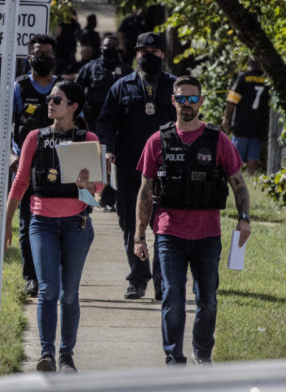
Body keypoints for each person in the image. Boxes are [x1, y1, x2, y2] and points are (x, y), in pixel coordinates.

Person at [134, 75, 251, 367]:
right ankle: (174, 356)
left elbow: (238, 183)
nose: (187, 104)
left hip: (207, 235)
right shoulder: (156, 141)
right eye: (181, 98)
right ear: (173, 101)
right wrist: (139, 235)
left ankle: (203, 352)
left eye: (192, 98)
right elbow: (145, 190)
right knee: (172, 298)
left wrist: (244, 219)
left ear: (200, 101)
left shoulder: (218, 140)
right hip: (169, 234)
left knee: (207, 300)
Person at [5, 81, 102, 373]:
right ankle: (46, 354)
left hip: (77, 223)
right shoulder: (35, 137)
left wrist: (86, 186)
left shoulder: (88, 138)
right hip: (42, 223)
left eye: (57, 99)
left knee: (69, 293)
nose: (50, 103)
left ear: (73, 107)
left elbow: (95, 196)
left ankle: (66, 356)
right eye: (49, 98)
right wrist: (8, 223)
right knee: (48, 290)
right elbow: (21, 182)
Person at [96, 32, 177, 300]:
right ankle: (138, 279)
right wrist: (108, 150)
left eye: (154, 51)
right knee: (131, 225)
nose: (148, 55)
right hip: (131, 168)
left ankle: (162, 282)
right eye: (143, 51)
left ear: (162, 55)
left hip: (169, 168)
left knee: (164, 226)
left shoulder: (175, 87)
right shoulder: (122, 86)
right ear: (136, 53)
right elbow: (106, 122)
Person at [12, 34, 59, 298]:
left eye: (48, 53)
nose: (43, 57)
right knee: (28, 222)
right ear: (29, 57)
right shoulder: (19, 88)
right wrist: (11, 155)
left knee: (58, 223)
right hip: (26, 167)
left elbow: (79, 127)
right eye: (38, 53)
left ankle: (53, 274)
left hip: (56, 168)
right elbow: (5, 126)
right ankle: (31, 277)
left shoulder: (61, 89)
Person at [75, 35, 132, 211]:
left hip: (116, 123)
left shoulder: (125, 70)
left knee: (112, 160)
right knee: (90, 161)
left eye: (114, 45)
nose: (110, 48)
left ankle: (109, 199)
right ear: (101, 48)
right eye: (107, 46)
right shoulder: (90, 68)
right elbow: (75, 91)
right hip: (91, 122)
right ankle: (87, 198)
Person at [221, 59, 270, 175]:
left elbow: (232, 101)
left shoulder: (243, 78)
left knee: (236, 154)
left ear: (249, 64)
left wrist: (226, 117)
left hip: (241, 123)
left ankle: (233, 176)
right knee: (253, 154)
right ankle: (251, 174)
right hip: (259, 124)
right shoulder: (267, 80)